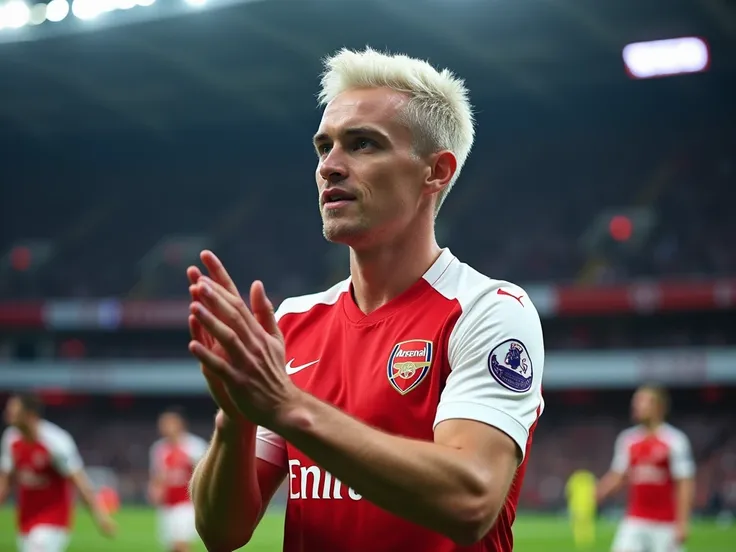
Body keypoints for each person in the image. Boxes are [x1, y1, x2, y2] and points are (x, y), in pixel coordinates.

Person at [187, 47, 545, 552]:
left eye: (362, 145)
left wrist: (288, 407)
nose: (329, 167)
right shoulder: (291, 323)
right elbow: (222, 532)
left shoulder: (489, 310)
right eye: (323, 147)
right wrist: (235, 416)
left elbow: (472, 501)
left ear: (436, 172)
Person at [0, 393, 116, 552]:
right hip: (26, 519)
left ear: (29, 414)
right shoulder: (10, 439)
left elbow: (80, 481)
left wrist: (100, 517)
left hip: (53, 519)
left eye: (13, 409)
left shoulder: (56, 442)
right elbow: (5, 481)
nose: (8, 413)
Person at [597, 385, 695, 552]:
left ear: (659, 407)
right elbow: (618, 476)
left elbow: (685, 483)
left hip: (665, 524)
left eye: (642, 401)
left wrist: (683, 522)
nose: (636, 406)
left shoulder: (675, 441)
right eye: (635, 402)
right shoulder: (628, 440)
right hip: (635, 520)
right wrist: (598, 492)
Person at [148, 407, 208, 552]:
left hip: (187, 504)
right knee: (172, 547)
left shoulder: (194, 446)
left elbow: (206, 473)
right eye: (162, 424)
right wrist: (154, 491)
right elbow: (157, 475)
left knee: (181, 545)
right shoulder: (159, 448)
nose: (164, 427)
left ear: (180, 424)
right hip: (167, 504)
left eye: (168, 423)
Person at [565, 468, 597, 549]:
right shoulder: (590, 477)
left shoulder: (574, 478)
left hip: (577, 503)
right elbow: (596, 489)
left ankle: (580, 539)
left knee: (578, 523)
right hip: (588, 503)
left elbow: (568, 491)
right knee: (587, 522)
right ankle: (588, 539)